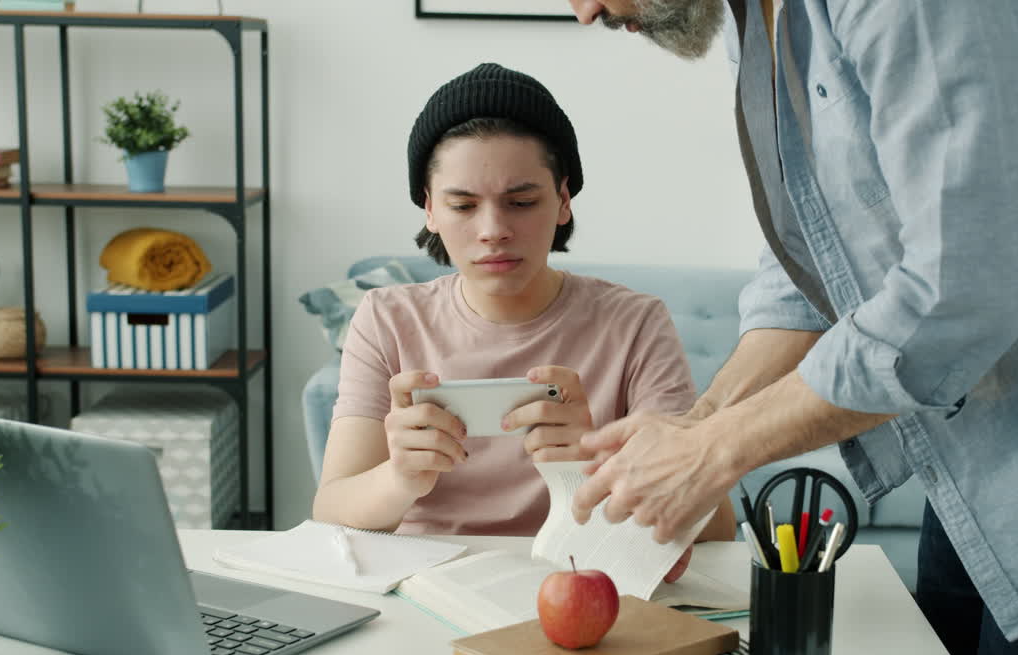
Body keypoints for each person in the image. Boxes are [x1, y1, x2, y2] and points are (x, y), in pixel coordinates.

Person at [561, 1, 1018, 655]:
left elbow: (956, 295)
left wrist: (713, 453)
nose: (584, 11)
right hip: (978, 441)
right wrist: (696, 429)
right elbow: (810, 273)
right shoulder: (760, 21)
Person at [311, 63, 737, 569]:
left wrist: (594, 462)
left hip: (582, 574)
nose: (493, 230)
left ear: (562, 201)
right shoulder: (386, 319)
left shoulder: (635, 323)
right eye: (463, 206)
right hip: (422, 578)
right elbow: (328, 511)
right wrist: (400, 478)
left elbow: (716, 527)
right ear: (429, 210)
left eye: (521, 201)